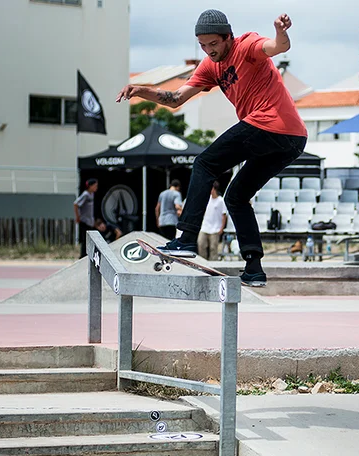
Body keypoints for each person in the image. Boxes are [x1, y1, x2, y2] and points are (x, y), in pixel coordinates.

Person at [116, 10, 306, 287]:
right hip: (291, 139)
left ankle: (187, 238)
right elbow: (176, 98)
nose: (209, 51)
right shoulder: (209, 66)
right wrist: (140, 90)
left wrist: (280, 30)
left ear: (228, 37)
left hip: (270, 124)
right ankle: (254, 268)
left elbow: (279, 47)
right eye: (203, 45)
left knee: (205, 163)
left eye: (214, 44)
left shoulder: (246, 46)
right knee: (237, 197)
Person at [198, 181, 228, 261]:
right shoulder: (207, 199)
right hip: (205, 226)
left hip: (215, 228)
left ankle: (213, 263)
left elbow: (224, 215)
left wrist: (221, 228)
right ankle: (203, 261)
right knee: (201, 244)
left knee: (213, 248)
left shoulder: (220, 201)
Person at [74, 178, 98, 259]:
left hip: (90, 221)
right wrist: (78, 216)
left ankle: (88, 254)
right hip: (84, 221)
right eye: (95, 186)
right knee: (85, 240)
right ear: (90, 186)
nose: (96, 187)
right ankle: (82, 256)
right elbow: (76, 204)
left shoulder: (92, 195)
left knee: (90, 239)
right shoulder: (86, 194)